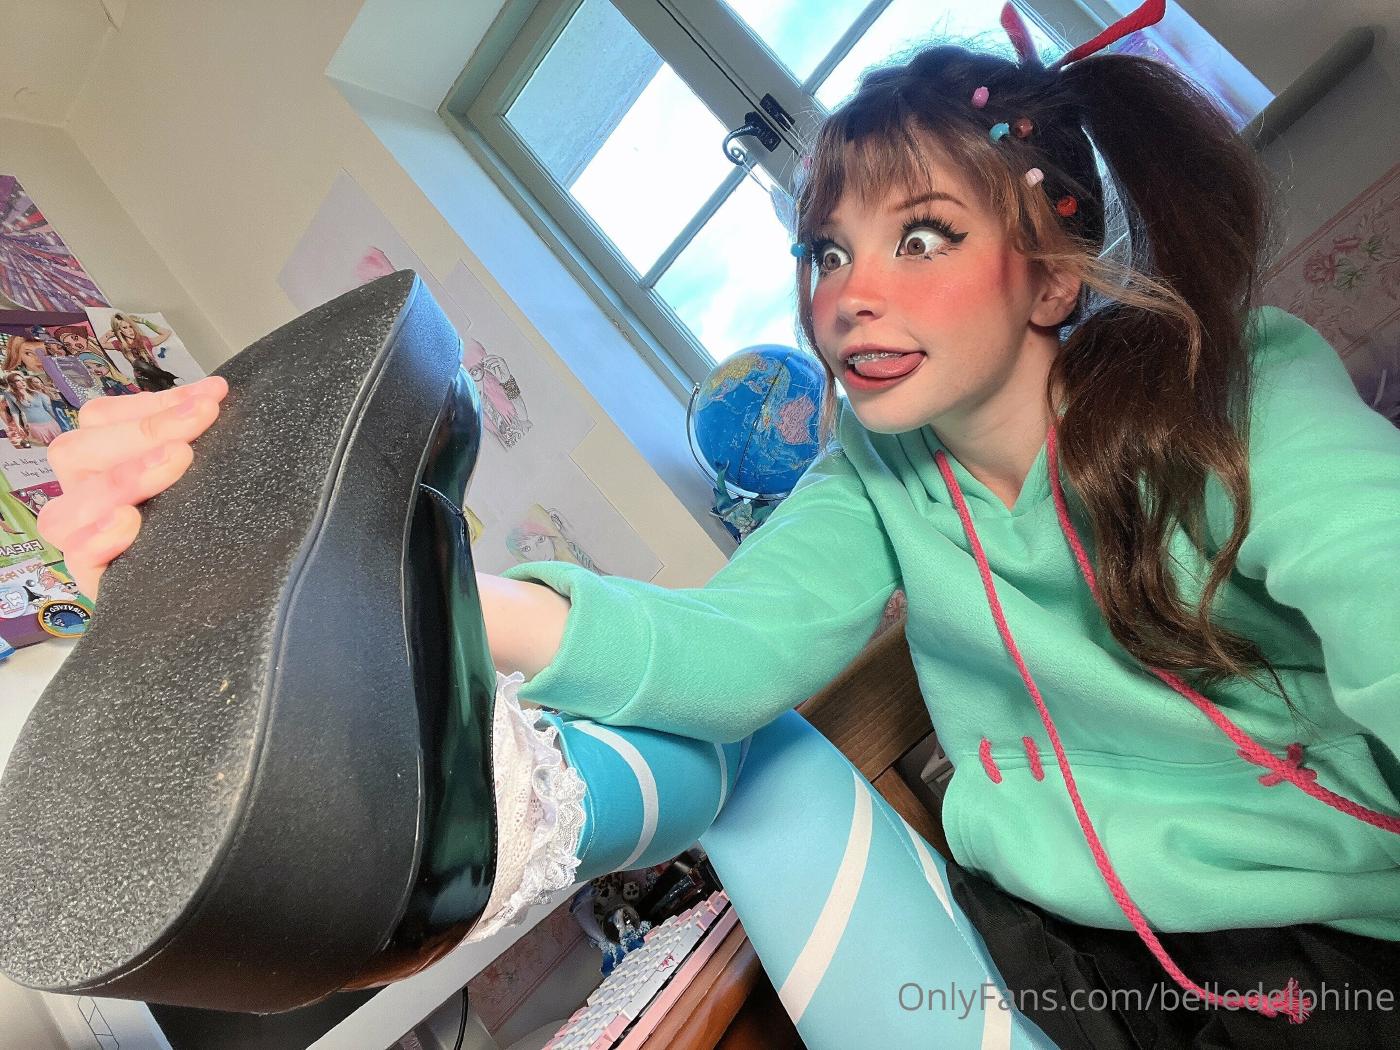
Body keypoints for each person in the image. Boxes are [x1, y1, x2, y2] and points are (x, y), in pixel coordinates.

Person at [31, 3, 1400, 1047]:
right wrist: (374, 585)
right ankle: (443, 832)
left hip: (1314, 962)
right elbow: (725, 654)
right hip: (1049, 954)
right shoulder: (874, 473)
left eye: (921, 236)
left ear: (1050, 276)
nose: (848, 293)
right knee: (746, 751)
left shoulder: (1234, 389)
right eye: (825, 252)